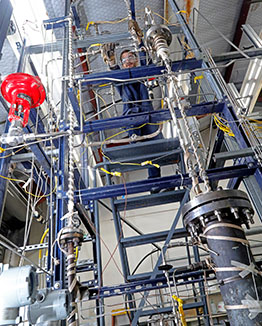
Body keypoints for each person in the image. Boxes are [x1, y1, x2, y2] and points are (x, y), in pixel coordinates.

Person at [102, 43, 162, 181]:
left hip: (148, 116)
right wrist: (112, 62)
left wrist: (140, 44)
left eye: (130, 58)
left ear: (136, 60)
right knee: (123, 80)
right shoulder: (122, 78)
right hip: (131, 116)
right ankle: (154, 181)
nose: (127, 61)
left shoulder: (142, 74)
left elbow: (148, 67)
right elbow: (116, 78)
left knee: (157, 150)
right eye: (124, 60)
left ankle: (154, 182)